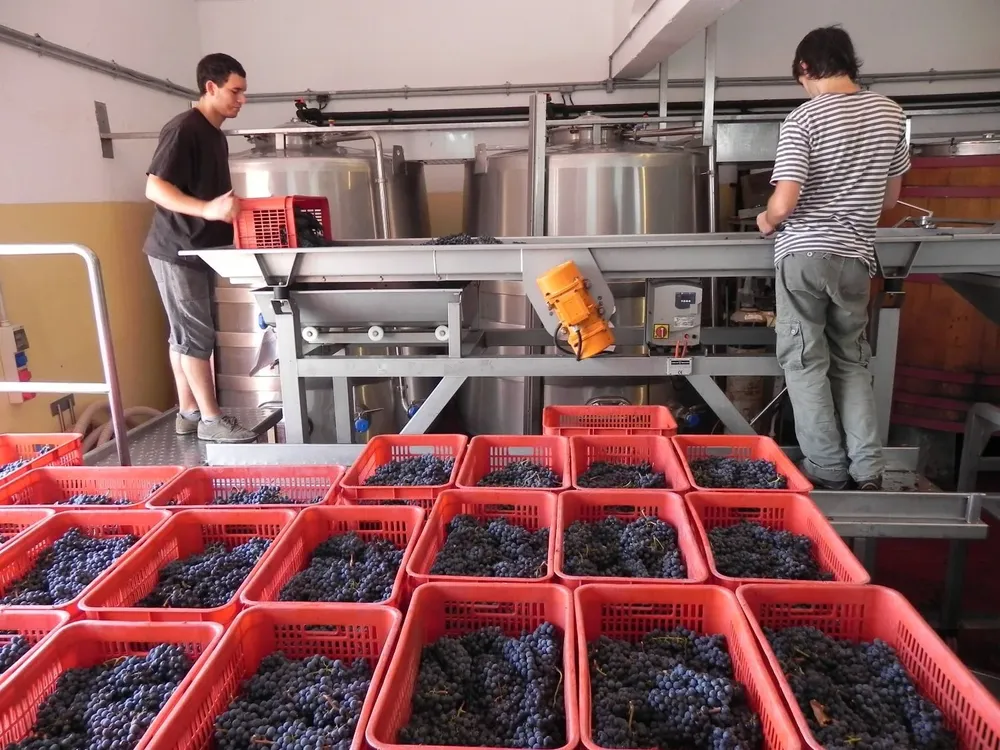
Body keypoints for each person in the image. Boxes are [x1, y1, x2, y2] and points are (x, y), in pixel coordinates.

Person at [757, 26, 910, 490]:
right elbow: (890, 198)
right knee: (851, 360)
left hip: (803, 254)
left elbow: (784, 203)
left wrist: (766, 220)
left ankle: (826, 470)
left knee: (805, 362)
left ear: (805, 68)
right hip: (856, 258)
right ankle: (867, 469)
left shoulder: (803, 119)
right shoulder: (891, 114)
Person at [143, 53, 257, 443]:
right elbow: (154, 187)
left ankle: (188, 413)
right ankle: (211, 420)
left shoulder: (214, 134)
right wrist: (208, 209)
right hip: (177, 249)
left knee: (184, 336)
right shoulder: (184, 129)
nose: (241, 99)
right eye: (235, 91)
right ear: (211, 87)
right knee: (195, 337)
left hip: (199, 250)